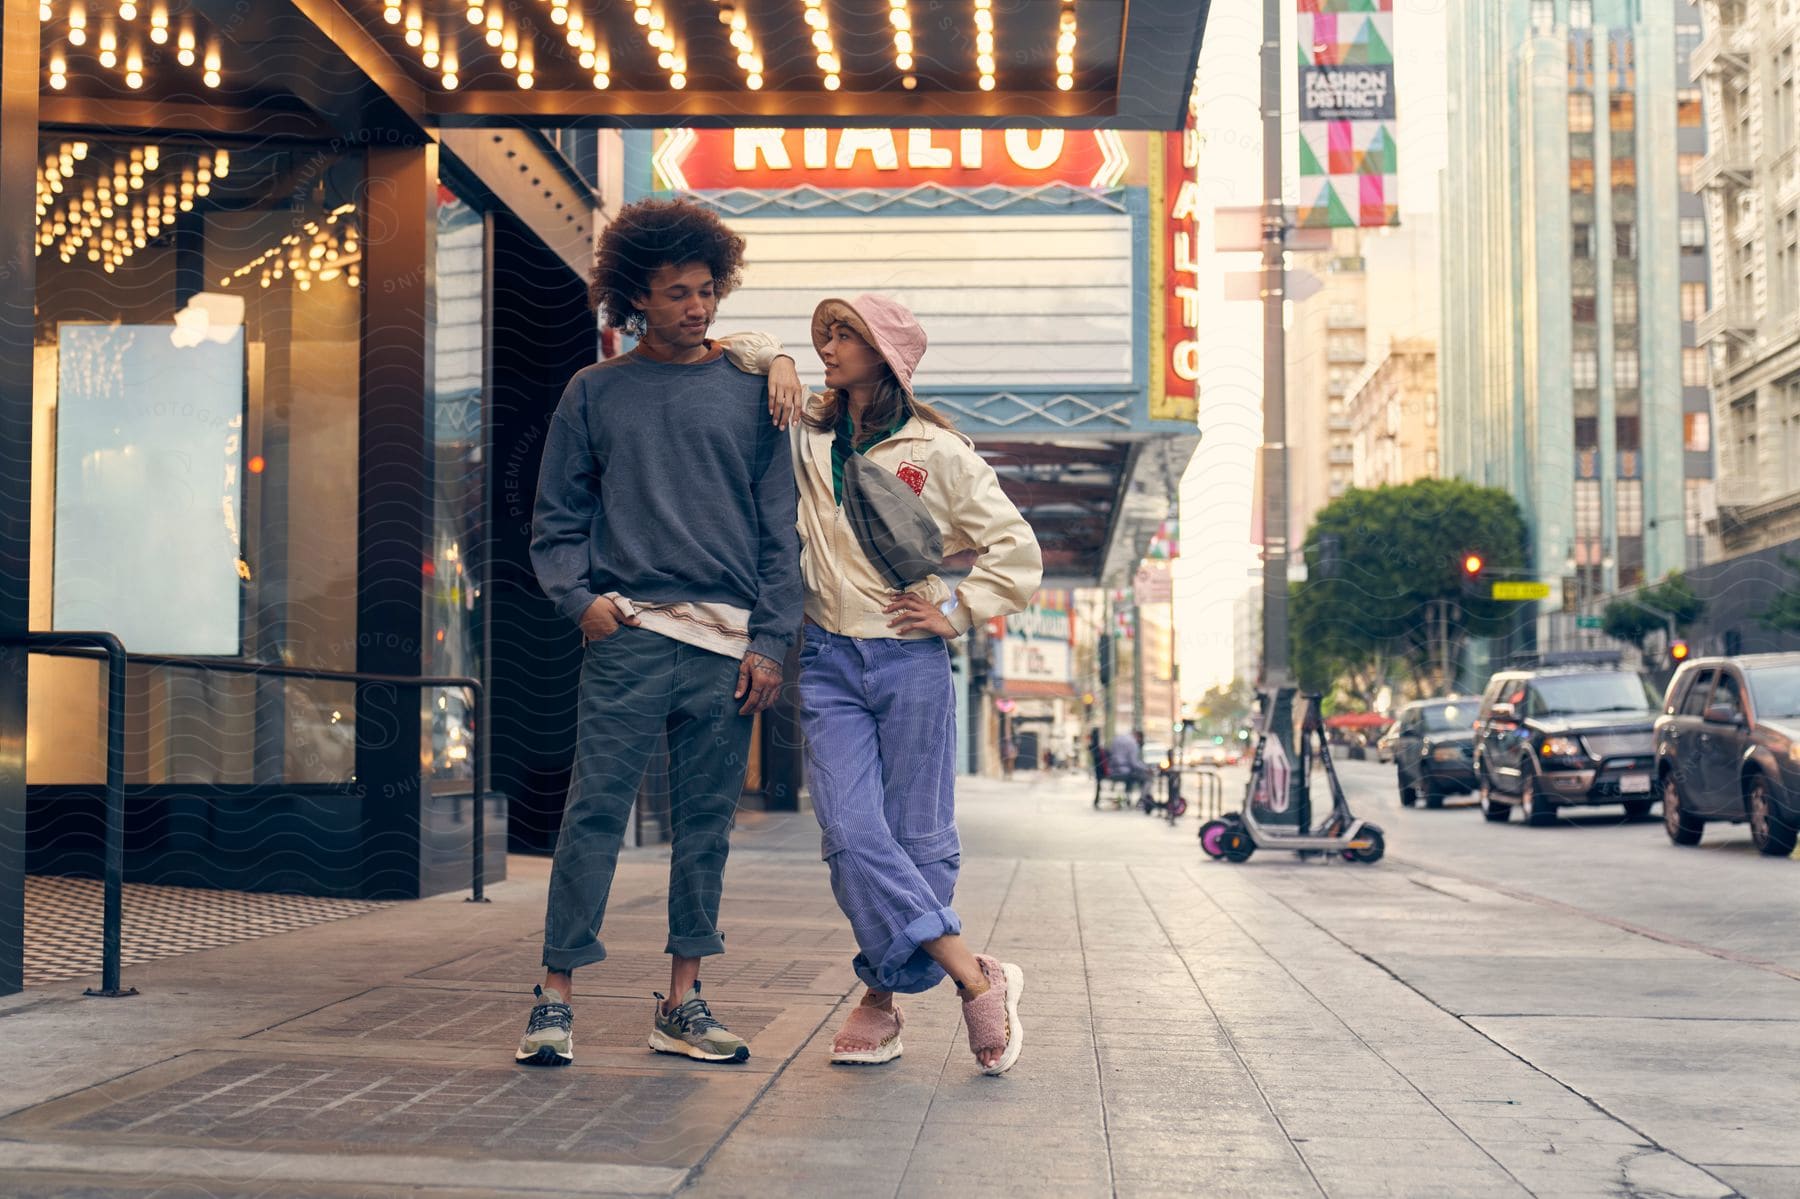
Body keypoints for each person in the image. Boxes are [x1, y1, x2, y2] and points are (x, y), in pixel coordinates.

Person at [517, 198, 805, 1068]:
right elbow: (555, 518)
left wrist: (771, 640)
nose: (698, 307)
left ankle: (682, 1003)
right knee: (593, 814)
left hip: (727, 647)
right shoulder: (594, 392)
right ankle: (554, 998)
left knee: (707, 827)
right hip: (631, 634)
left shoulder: (755, 391)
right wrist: (580, 601)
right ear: (636, 298)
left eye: (708, 289)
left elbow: (778, 528)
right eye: (678, 292)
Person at [777, 294, 1042, 1074]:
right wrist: (781, 359)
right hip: (826, 658)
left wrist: (956, 610)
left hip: (907, 658)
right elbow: (748, 348)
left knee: (919, 835)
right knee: (851, 833)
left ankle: (881, 1000)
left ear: (886, 354)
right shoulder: (807, 433)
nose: (828, 344)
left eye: (846, 335)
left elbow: (1014, 550)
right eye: (825, 333)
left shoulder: (940, 451)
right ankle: (974, 973)